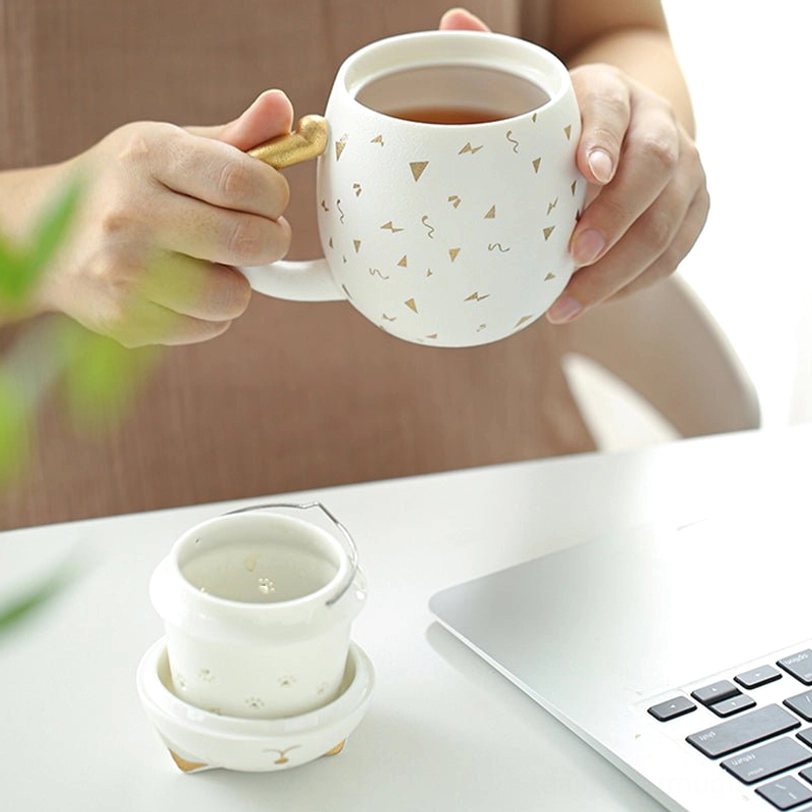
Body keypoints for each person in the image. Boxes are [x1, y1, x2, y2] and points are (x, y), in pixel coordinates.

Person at [0, 0, 711, 528]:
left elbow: (619, 31)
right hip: (98, 537)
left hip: (502, 503)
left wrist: (633, 134)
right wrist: (40, 231)